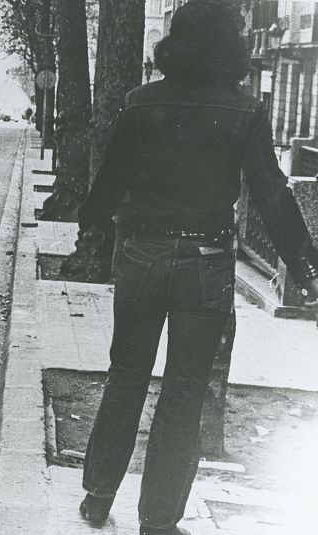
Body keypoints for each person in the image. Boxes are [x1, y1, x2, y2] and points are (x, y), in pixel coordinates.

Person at [75, 2, 318, 534]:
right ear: (230, 47)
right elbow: (273, 195)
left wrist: (90, 225)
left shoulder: (141, 102)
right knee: (185, 389)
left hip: (142, 255)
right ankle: (158, 519)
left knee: (127, 374)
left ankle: (97, 495)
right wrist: (304, 265)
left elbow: (111, 176)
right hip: (207, 263)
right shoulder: (246, 111)